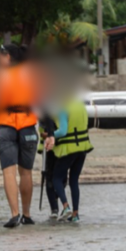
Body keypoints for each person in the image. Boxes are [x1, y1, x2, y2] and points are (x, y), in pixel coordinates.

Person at [0, 45, 42, 228]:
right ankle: (27, 215)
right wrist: (50, 132)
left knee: (9, 172)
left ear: (8, 57)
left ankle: (14, 214)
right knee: (26, 172)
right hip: (28, 127)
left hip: (6, 127)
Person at [44, 90, 93, 223]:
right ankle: (75, 214)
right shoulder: (81, 106)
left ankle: (66, 207)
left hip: (69, 148)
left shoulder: (63, 106)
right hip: (83, 148)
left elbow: (63, 131)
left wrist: (50, 135)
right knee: (74, 181)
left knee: (56, 178)